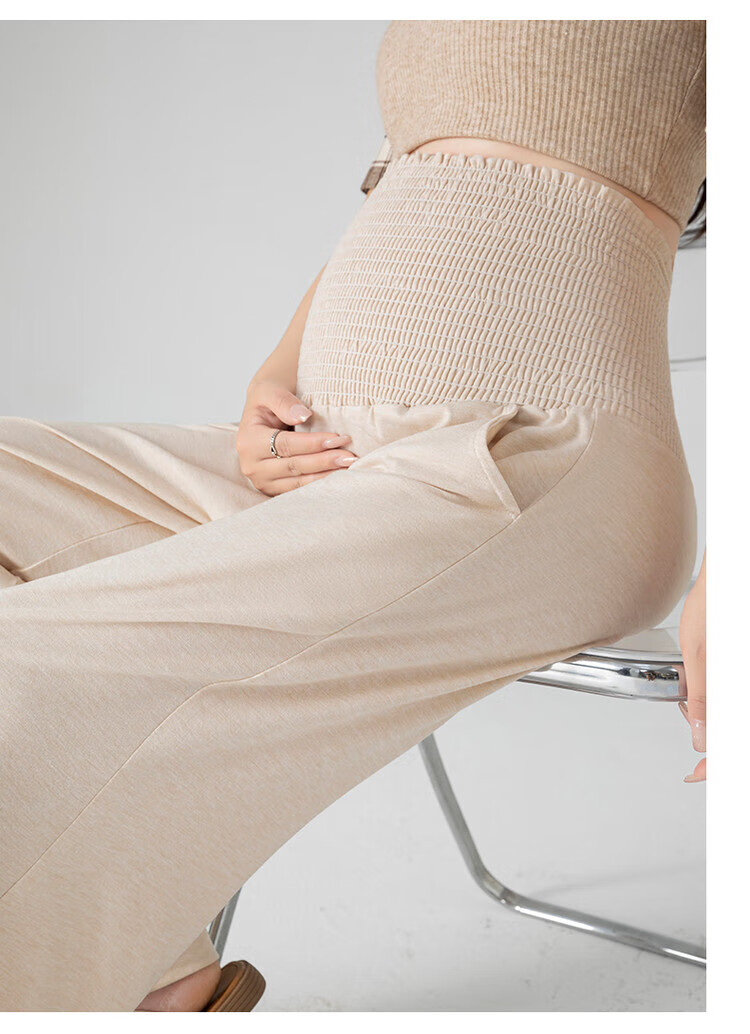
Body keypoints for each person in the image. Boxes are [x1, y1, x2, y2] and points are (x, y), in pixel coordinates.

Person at [0, 19, 706, 1011]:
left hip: (535, 462)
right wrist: (274, 377)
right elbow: (407, 189)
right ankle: (159, 970)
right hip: (324, 454)